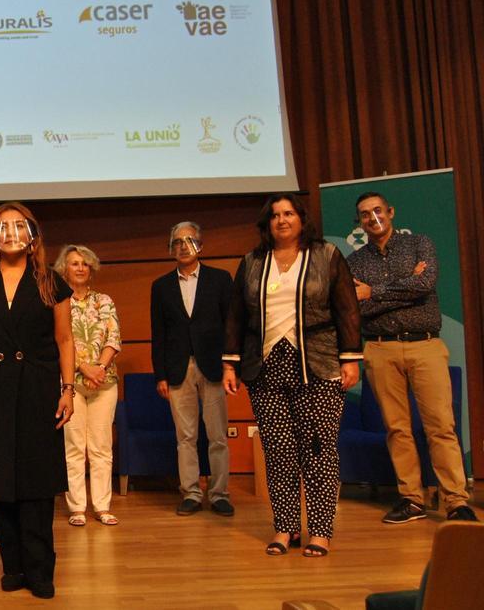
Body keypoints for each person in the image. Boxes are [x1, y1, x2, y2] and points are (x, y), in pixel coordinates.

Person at [222, 194, 361, 557]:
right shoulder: (252, 262)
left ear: (301, 219)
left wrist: (350, 359)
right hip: (266, 366)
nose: (281, 220)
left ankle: (320, 530)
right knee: (279, 451)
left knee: (318, 449)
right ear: (266, 223)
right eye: (274, 216)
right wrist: (229, 363)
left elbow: (346, 307)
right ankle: (284, 528)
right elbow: (236, 315)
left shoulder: (326, 256)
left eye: (288, 214)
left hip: (318, 363)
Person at [0, 202, 74, 599]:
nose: (10, 233)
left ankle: (40, 572)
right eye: (2, 227)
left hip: (38, 388)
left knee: (37, 483)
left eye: (18, 226)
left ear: (32, 235)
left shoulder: (50, 280)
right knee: (1, 479)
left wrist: (68, 388)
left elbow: (65, 339)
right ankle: (13, 568)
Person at [346, 192, 477, 523]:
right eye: (364, 214)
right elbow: (356, 306)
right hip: (379, 347)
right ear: (359, 222)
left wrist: (374, 291)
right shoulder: (355, 261)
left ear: (390, 211)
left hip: (425, 345)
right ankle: (411, 498)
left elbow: (425, 284)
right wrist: (405, 287)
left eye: (377, 210)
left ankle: (456, 501)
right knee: (397, 428)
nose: (372, 217)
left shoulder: (420, 244)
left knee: (441, 426)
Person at [150, 222, 235, 517]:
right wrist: (160, 374)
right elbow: (158, 333)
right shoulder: (160, 286)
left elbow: (231, 326)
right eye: (177, 242)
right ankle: (191, 493)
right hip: (177, 368)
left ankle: (220, 493)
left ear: (201, 245)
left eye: (189, 241)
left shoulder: (220, 279)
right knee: (185, 436)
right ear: (170, 249)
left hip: (213, 365)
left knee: (218, 434)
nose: (183, 247)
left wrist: (230, 365)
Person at [53, 244, 121, 527]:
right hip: (70, 384)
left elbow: (113, 338)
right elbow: (57, 342)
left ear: (91, 269)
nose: (80, 267)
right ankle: (78, 507)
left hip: (104, 382)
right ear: (63, 269)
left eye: (84, 263)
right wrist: (83, 368)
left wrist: (100, 368)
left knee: (101, 447)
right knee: (74, 447)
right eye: (74, 263)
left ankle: (102, 506)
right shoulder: (56, 301)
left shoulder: (105, 301)